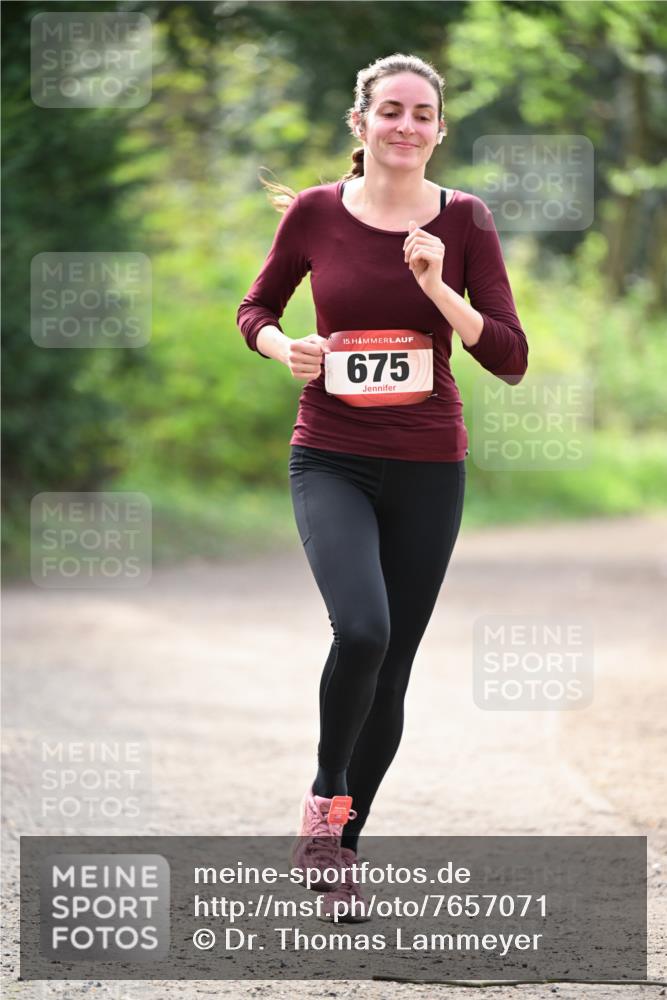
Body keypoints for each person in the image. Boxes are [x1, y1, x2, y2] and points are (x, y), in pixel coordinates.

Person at [236, 53, 528, 922]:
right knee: (361, 629)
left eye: (422, 113)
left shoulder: (465, 220)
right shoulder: (317, 215)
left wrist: (440, 288)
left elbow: (507, 357)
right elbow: (257, 310)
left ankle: (340, 854)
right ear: (360, 124)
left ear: (440, 130)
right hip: (329, 452)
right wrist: (279, 348)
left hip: (428, 462)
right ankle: (324, 805)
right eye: (389, 110)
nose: (405, 125)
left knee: (392, 665)